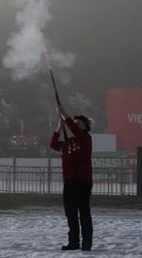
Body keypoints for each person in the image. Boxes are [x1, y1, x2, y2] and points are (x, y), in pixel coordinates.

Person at [49, 103, 93, 251]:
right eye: (75, 123)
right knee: (71, 214)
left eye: (79, 123)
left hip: (82, 181)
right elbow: (53, 144)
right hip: (69, 181)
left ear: (85, 126)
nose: (76, 125)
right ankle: (73, 242)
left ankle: (86, 243)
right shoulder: (70, 142)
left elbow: (76, 132)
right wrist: (59, 128)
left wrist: (65, 114)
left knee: (84, 213)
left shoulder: (85, 138)